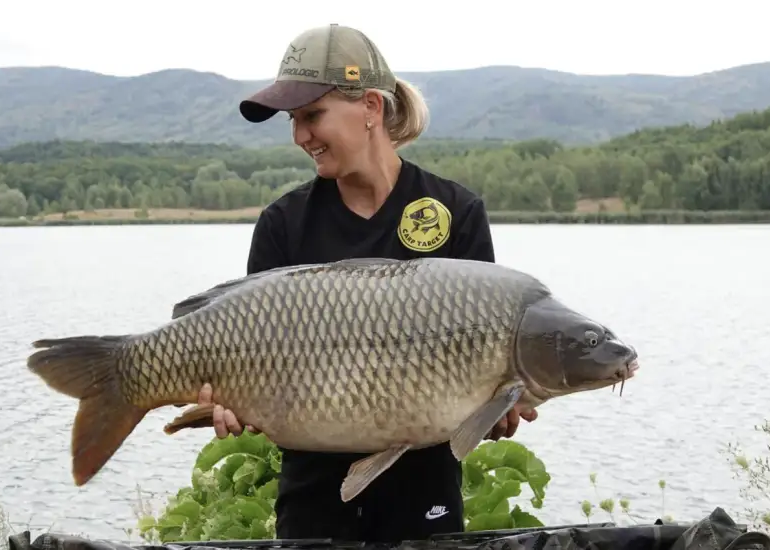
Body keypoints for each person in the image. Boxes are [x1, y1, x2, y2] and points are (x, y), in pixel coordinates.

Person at [196, 23, 539, 543]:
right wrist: (231, 399)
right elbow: (250, 357)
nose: (300, 136)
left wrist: (497, 410)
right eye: (294, 120)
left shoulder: (455, 212)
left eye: (312, 116)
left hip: (425, 499)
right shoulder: (283, 225)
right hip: (313, 500)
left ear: (371, 110)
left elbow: (487, 376)